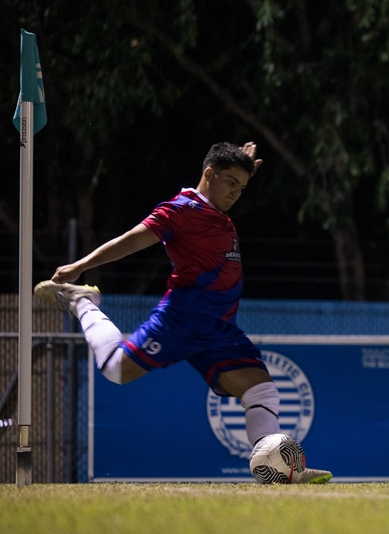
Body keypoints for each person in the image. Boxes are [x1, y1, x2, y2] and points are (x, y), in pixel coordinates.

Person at [34, 141, 331, 484]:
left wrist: (241, 165)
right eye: (231, 183)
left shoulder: (217, 210)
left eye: (243, 187)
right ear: (209, 174)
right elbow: (131, 239)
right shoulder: (180, 210)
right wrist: (81, 265)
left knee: (262, 390)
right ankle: (82, 301)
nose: (237, 193)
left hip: (219, 328)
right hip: (181, 320)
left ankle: (281, 470)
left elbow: (230, 178)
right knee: (115, 369)